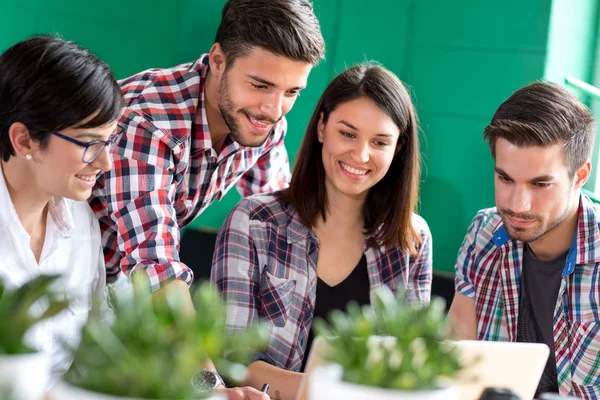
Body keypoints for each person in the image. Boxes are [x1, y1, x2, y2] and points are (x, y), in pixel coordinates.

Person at [211, 63, 433, 400]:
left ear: (398, 149)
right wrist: (333, 393)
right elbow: (234, 359)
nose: (361, 154)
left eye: (380, 142)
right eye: (347, 133)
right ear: (321, 128)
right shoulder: (254, 222)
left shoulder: (413, 239)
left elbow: (408, 364)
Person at [89, 0, 325, 312]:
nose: (274, 109)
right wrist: (202, 362)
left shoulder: (261, 121)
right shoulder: (151, 123)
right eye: (259, 85)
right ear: (217, 60)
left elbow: (283, 225)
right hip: (46, 268)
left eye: (291, 92)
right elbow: (157, 270)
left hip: (115, 279)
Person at [448, 82, 599, 397]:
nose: (517, 205)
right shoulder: (484, 234)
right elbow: (455, 361)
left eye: (540, 184)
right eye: (505, 178)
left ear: (581, 176)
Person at [0, 35, 121, 389]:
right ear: (23, 139)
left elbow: (100, 345)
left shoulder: (80, 219)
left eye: (108, 141)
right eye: (89, 143)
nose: (105, 162)